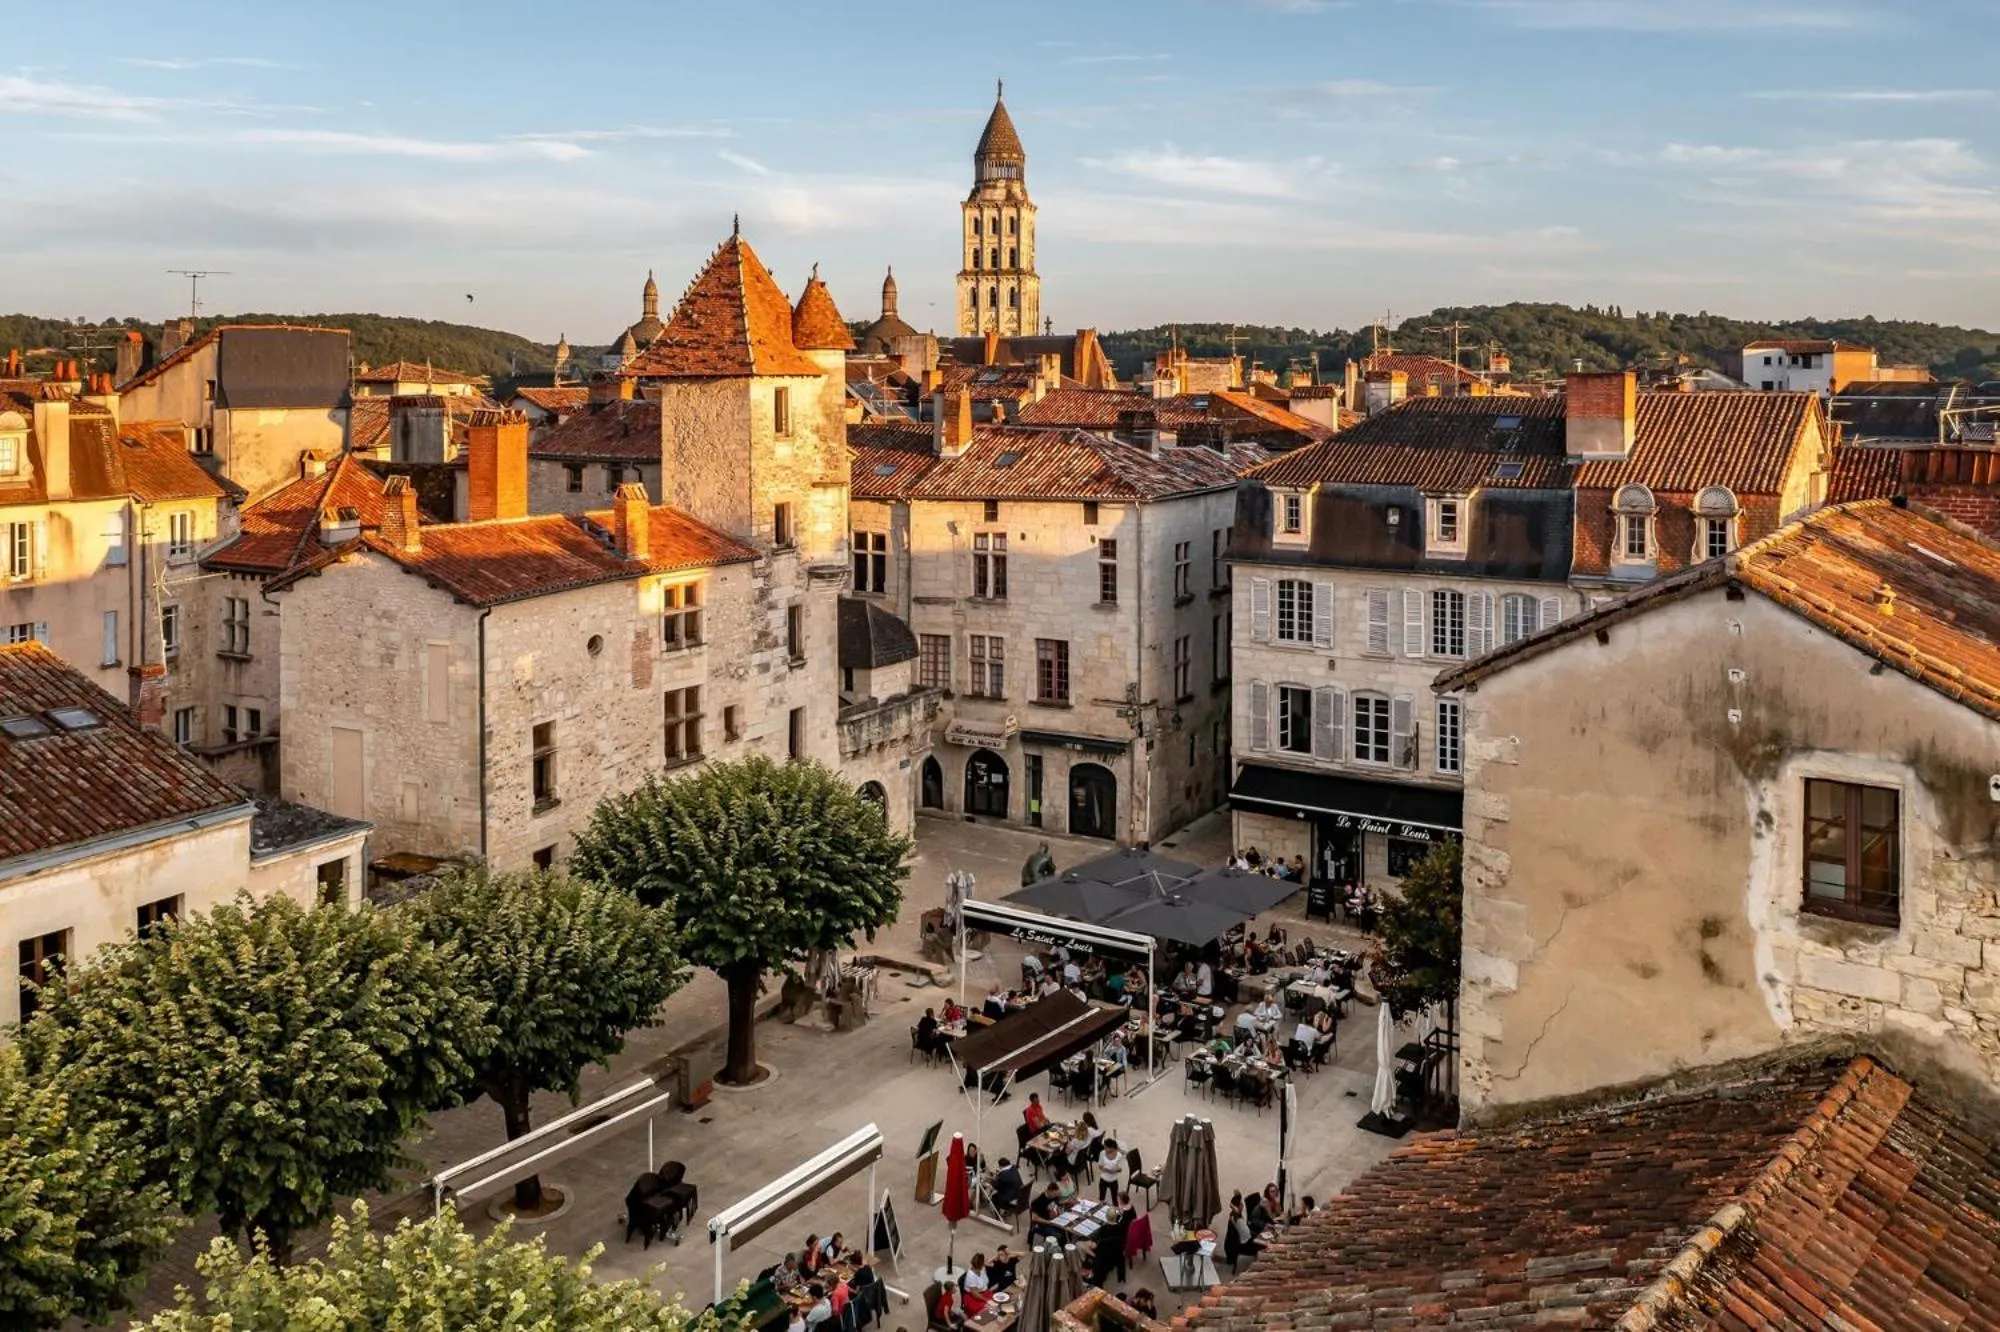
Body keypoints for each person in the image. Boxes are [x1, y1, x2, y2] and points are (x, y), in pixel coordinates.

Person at [1096, 1138, 1126, 1202]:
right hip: (1103, 1179)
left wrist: (1115, 1170)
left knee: (1115, 1199)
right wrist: (1108, 1170)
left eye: (1106, 1147)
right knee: (1101, 1198)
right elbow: (1100, 1166)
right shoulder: (1102, 1153)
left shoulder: (1119, 1155)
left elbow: (1120, 1169)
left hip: (1113, 1180)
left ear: (1111, 1148)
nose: (1105, 1149)